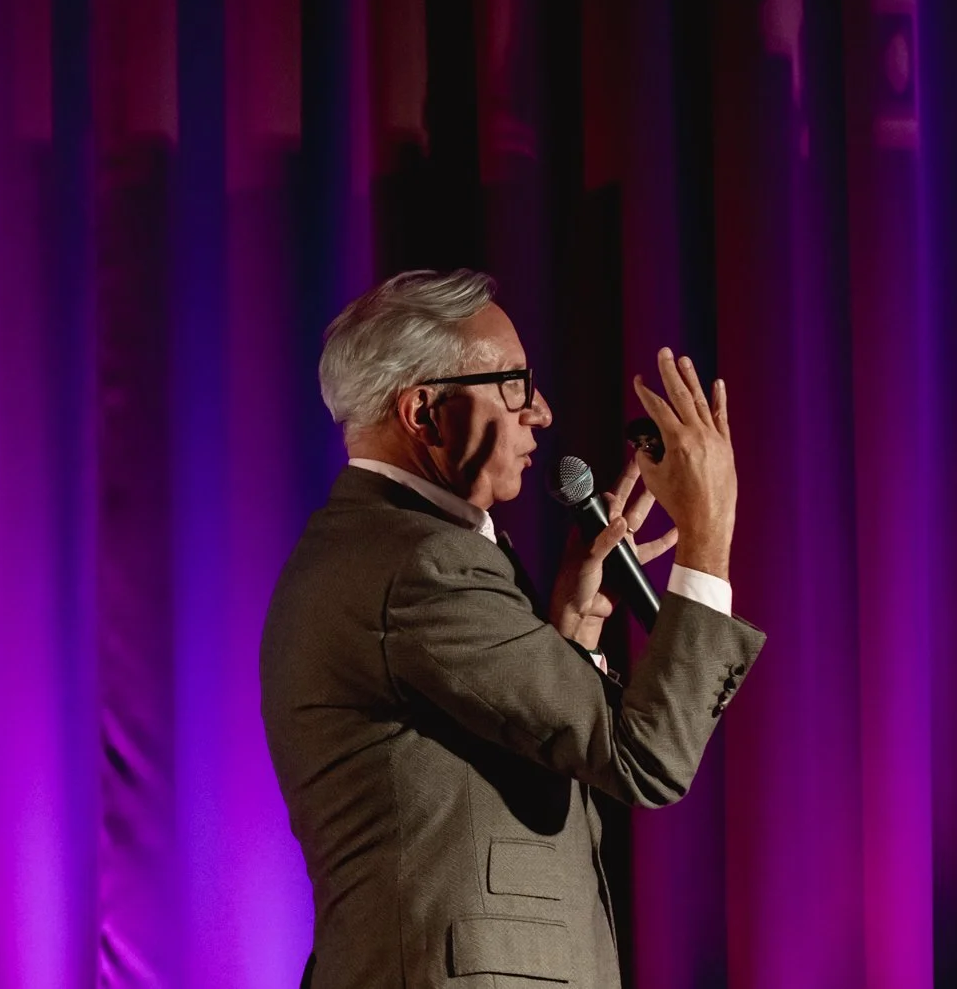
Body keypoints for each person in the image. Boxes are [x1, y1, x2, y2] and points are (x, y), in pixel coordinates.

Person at [260, 269, 764, 988]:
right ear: (424, 412)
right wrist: (708, 535)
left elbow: (466, 780)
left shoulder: (375, 549)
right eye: (514, 385)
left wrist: (566, 643)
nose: (542, 413)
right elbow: (647, 755)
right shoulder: (421, 563)